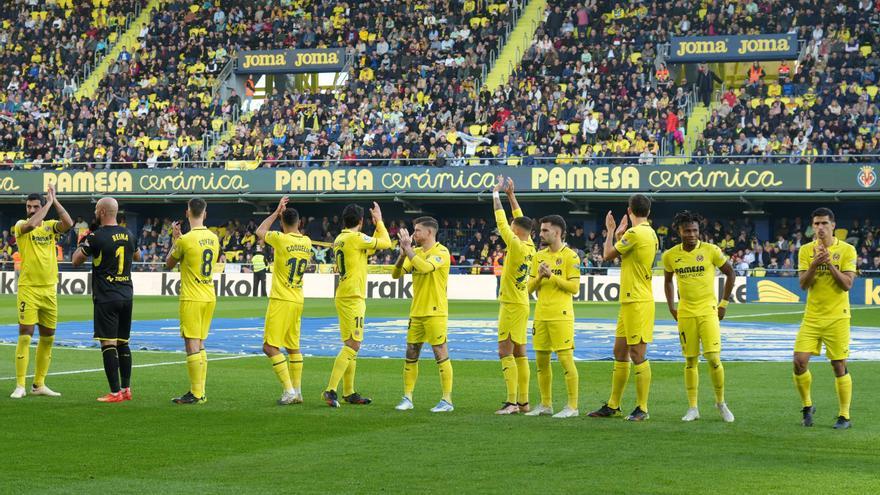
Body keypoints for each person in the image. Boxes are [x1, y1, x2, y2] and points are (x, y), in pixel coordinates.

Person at [588, 194, 658, 421]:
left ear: (629, 210)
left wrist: (610, 231)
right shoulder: (648, 233)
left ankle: (643, 408)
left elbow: (608, 255)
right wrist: (619, 236)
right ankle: (613, 405)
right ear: (648, 211)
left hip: (637, 301)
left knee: (637, 354)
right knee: (620, 352)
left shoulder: (636, 233)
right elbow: (625, 256)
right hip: (631, 301)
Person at [662, 211, 736, 422]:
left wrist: (724, 303)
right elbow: (667, 280)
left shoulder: (711, 250)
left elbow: (731, 273)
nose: (692, 234)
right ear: (679, 232)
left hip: (708, 311)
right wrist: (671, 306)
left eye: (695, 230)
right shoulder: (671, 255)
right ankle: (693, 407)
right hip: (685, 313)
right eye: (688, 231)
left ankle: (721, 403)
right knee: (690, 360)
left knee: (713, 358)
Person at [323, 202, 391, 407]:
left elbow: (363, 253)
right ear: (361, 221)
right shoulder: (356, 238)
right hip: (353, 297)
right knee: (354, 344)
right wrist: (379, 221)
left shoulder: (341, 239)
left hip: (343, 295)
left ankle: (349, 392)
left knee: (349, 345)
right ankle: (330, 390)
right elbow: (386, 243)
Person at [72, 197, 139, 402]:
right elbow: (136, 257)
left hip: (106, 296)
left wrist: (83, 242)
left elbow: (76, 260)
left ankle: (115, 392)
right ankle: (126, 389)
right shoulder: (129, 234)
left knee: (107, 343)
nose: (94, 212)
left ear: (102, 212)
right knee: (123, 342)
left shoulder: (96, 236)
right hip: (126, 294)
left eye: (95, 209)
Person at [794, 208, 856, 429]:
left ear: (833, 225)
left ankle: (844, 416)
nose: (819, 228)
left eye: (823, 224)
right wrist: (814, 264)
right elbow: (803, 284)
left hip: (837, 317)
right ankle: (808, 406)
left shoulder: (847, 250)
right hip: (812, 316)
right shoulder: (805, 250)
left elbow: (847, 285)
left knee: (838, 365)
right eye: (816, 224)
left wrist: (828, 263)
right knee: (799, 362)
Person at [11, 184, 73, 399]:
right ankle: (20, 385)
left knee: (47, 338)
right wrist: (46, 205)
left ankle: (39, 384)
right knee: (25, 336)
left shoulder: (50, 227)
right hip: (28, 289)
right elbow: (31, 225)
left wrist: (55, 202)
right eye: (29, 206)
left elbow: (68, 223)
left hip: (49, 289)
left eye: (34, 206)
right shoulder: (21, 225)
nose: (31, 209)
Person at [392, 217, 453, 412]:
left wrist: (408, 249)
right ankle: (407, 397)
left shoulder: (441, 252)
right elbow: (396, 275)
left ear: (429, 233)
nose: (414, 234)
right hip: (417, 312)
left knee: (440, 352)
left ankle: (447, 400)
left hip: (435, 312)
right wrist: (403, 254)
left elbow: (425, 268)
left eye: (417, 230)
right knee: (411, 352)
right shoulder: (415, 252)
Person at [255, 196, 311, 405]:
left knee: (270, 347)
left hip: (281, 299)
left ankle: (288, 391)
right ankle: (297, 391)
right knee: (293, 346)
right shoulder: (305, 242)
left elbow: (260, 231)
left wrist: (275, 212)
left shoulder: (281, 238)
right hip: (298, 299)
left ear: (281, 223)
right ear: (300, 223)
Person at [524, 215, 581, 419]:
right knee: (541, 362)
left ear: (557, 232)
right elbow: (528, 288)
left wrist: (552, 276)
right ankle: (545, 404)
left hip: (561, 316)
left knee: (566, 360)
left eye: (544, 230)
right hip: (541, 316)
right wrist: (539, 276)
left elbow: (574, 288)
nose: (540, 234)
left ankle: (572, 407)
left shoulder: (571, 257)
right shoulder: (538, 256)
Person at [165, 198, 219, 405]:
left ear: (188, 213)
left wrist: (175, 240)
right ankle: (199, 390)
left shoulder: (185, 240)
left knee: (191, 343)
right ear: (205, 214)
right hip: (209, 295)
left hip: (192, 297)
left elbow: (168, 264)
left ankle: (197, 393)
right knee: (200, 342)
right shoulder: (214, 238)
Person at [490, 176, 535, 415]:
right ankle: (524, 402)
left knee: (504, 351)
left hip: (511, 304)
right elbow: (520, 219)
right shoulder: (530, 245)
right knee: (520, 352)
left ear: (516, 230)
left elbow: (501, 221)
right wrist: (511, 196)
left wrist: (496, 194)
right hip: (522, 302)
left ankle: (511, 402)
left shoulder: (516, 245)